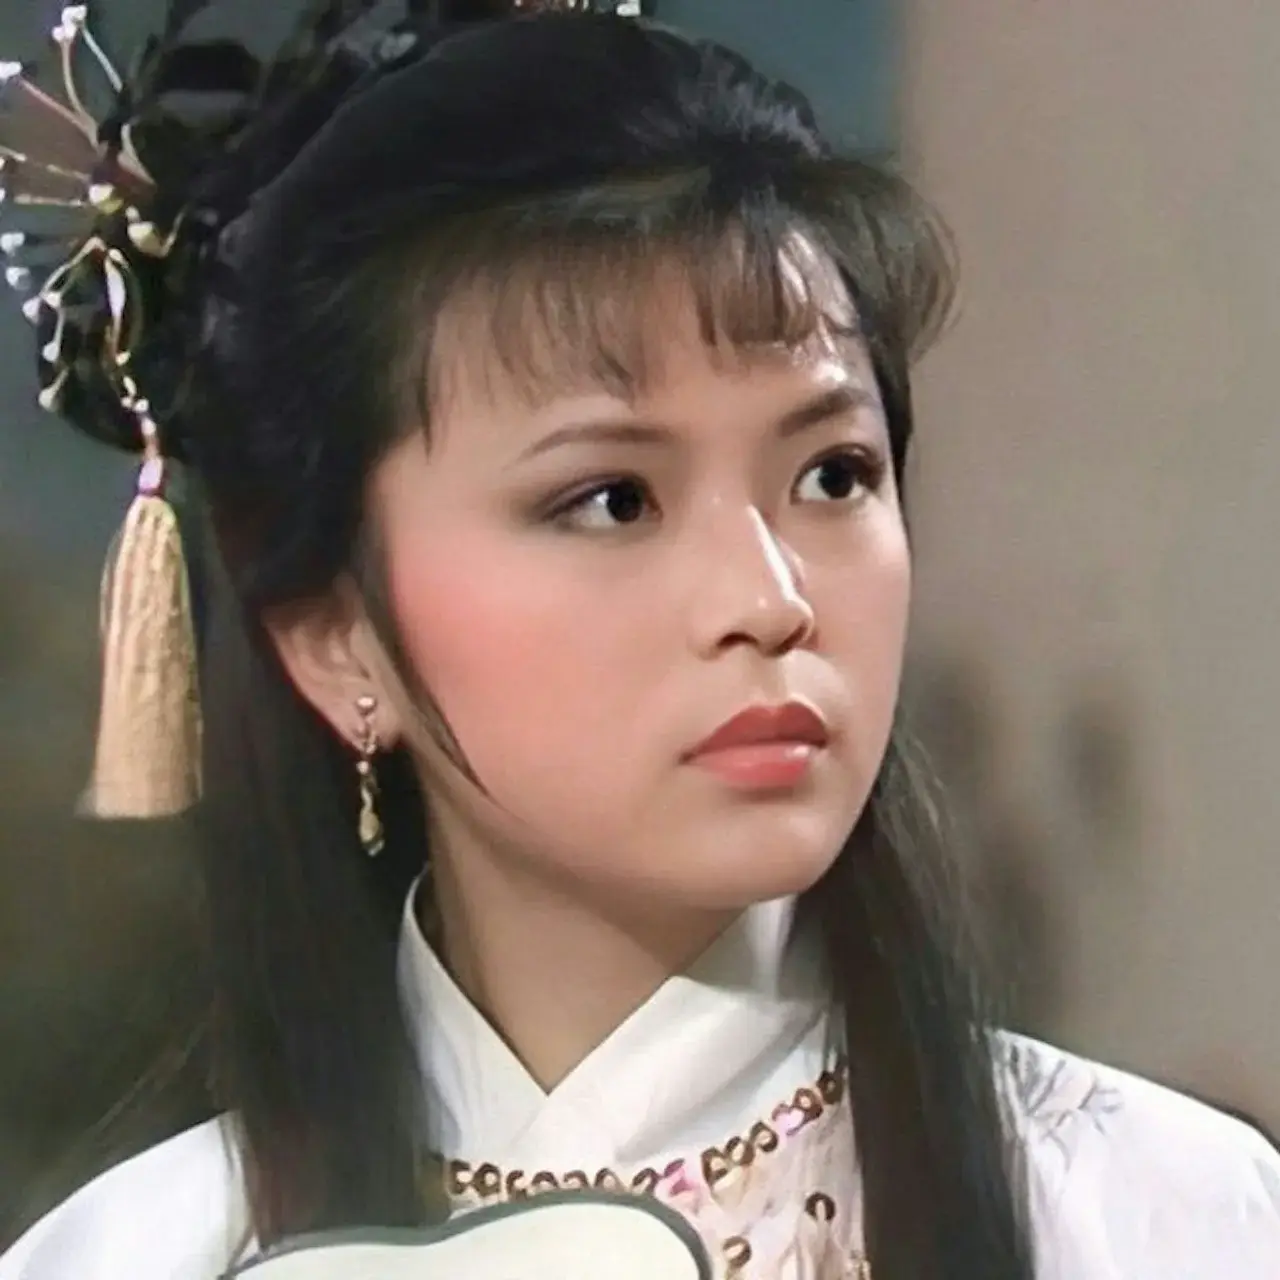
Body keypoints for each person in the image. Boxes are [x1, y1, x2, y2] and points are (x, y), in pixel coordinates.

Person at [1, 3, 1277, 1277]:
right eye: (611, 498)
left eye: (832, 475)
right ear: (337, 639)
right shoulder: (137, 1257)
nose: (768, 597)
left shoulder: (1168, 1216)